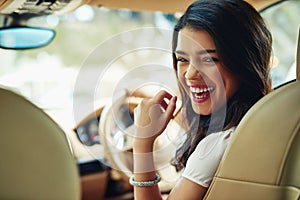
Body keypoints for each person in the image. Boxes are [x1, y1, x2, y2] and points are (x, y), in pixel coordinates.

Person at [131, 0, 272, 199]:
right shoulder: (266, 121)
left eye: (209, 59)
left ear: (244, 61)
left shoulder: (217, 144)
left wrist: (142, 144)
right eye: (182, 60)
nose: (190, 74)